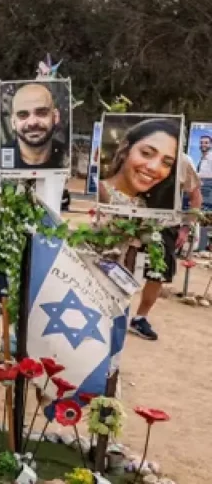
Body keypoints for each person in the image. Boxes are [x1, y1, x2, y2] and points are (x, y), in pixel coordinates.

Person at [131, 155, 201, 341]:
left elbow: (195, 195)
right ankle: (114, 313)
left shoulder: (183, 160)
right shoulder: (137, 150)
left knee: (157, 273)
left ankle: (140, 317)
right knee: (122, 266)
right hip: (130, 220)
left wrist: (186, 227)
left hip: (165, 225)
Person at [98, 118, 180, 210]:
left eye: (167, 163)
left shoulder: (150, 206)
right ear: (125, 149)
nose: (154, 167)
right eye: (146, 153)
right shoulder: (96, 195)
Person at [4, 84, 65, 168]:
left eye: (41, 113)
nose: (32, 123)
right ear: (13, 122)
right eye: (23, 115)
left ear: (55, 117)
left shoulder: (70, 158)